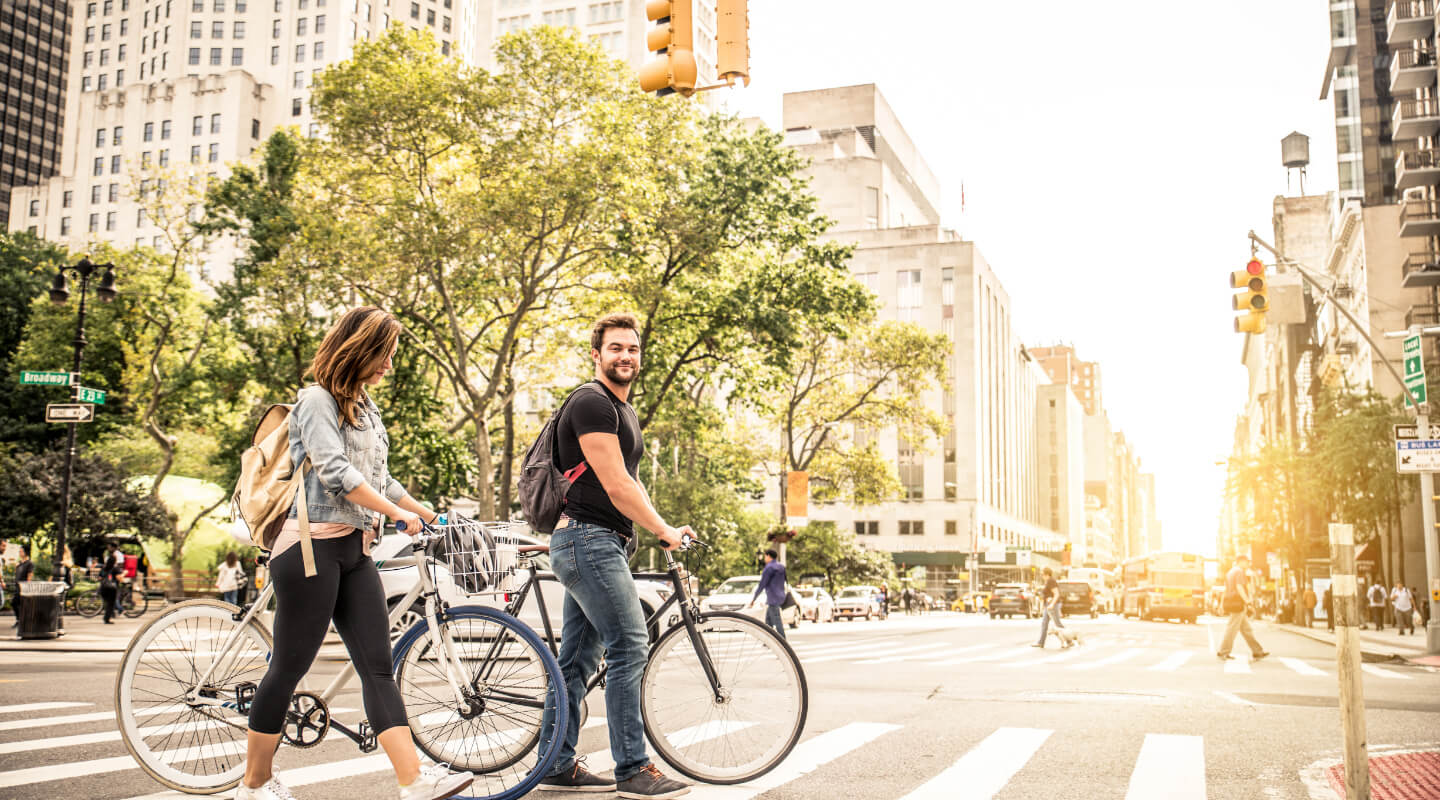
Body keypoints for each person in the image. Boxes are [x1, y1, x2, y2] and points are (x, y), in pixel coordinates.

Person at [235, 307, 473, 800]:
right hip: (309, 550)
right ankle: (253, 783)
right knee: (289, 667)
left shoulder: (365, 406)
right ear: (359, 348)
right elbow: (336, 472)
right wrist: (395, 513)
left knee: (378, 666)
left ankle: (412, 781)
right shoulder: (315, 401)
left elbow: (382, 478)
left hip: (355, 551)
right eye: (385, 354)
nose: (389, 364)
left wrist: (429, 516)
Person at [536, 312, 693, 798]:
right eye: (616, 348)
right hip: (587, 540)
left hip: (600, 543)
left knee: (577, 662)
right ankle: (632, 768)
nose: (626, 356)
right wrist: (661, 529)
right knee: (629, 645)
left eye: (633, 349)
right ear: (596, 354)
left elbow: (633, 482)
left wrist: (663, 526)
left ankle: (556, 764)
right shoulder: (591, 403)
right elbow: (615, 481)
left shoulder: (623, 411)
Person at [1217, 555, 1268, 661]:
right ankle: (1223, 651)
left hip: (1232, 603)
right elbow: (1239, 587)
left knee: (1246, 629)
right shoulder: (1239, 572)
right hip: (1238, 604)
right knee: (1232, 628)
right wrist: (1248, 602)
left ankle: (1257, 651)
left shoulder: (1230, 572)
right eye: (1247, 562)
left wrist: (1221, 605)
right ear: (1241, 561)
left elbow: (1225, 590)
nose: (1248, 564)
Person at [747, 549, 788, 640]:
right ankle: (767, 640)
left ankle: (783, 641)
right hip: (780, 595)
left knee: (777, 620)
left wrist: (754, 599)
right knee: (768, 620)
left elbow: (762, 584)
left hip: (773, 597)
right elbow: (785, 581)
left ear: (769, 556)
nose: (765, 558)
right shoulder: (781, 567)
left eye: (765, 556)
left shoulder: (769, 568)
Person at [1033, 567, 1069, 649]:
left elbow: (1056, 594)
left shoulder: (1051, 581)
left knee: (1058, 625)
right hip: (1048, 605)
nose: (1041, 575)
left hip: (1052, 605)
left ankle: (1068, 640)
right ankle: (1041, 642)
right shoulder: (1047, 582)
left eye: (1042, 573)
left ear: (1046, 574)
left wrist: (1052, 604)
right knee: (1044, 623)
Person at [9, 547, 33, 625]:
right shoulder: (19, 563)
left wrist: (27, 587)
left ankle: (21, 621)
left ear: (26, 552)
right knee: (16, 603)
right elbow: (16, 574)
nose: (20, 553)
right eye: (19, 551)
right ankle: (20, 620)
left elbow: (30, 575)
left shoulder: (29, 563)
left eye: (21, 551)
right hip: (17, 586)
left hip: (23, 587)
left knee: (16, 603)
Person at [100, 543, 123, 624]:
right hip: (112, 587)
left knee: (108, 603)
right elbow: (119, 578)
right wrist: (125, 573)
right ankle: (108, 618)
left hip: (103, 587)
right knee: (111, 603)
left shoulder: (104, 568)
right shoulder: (115, 568)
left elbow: (100, 577)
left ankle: (109, 615)